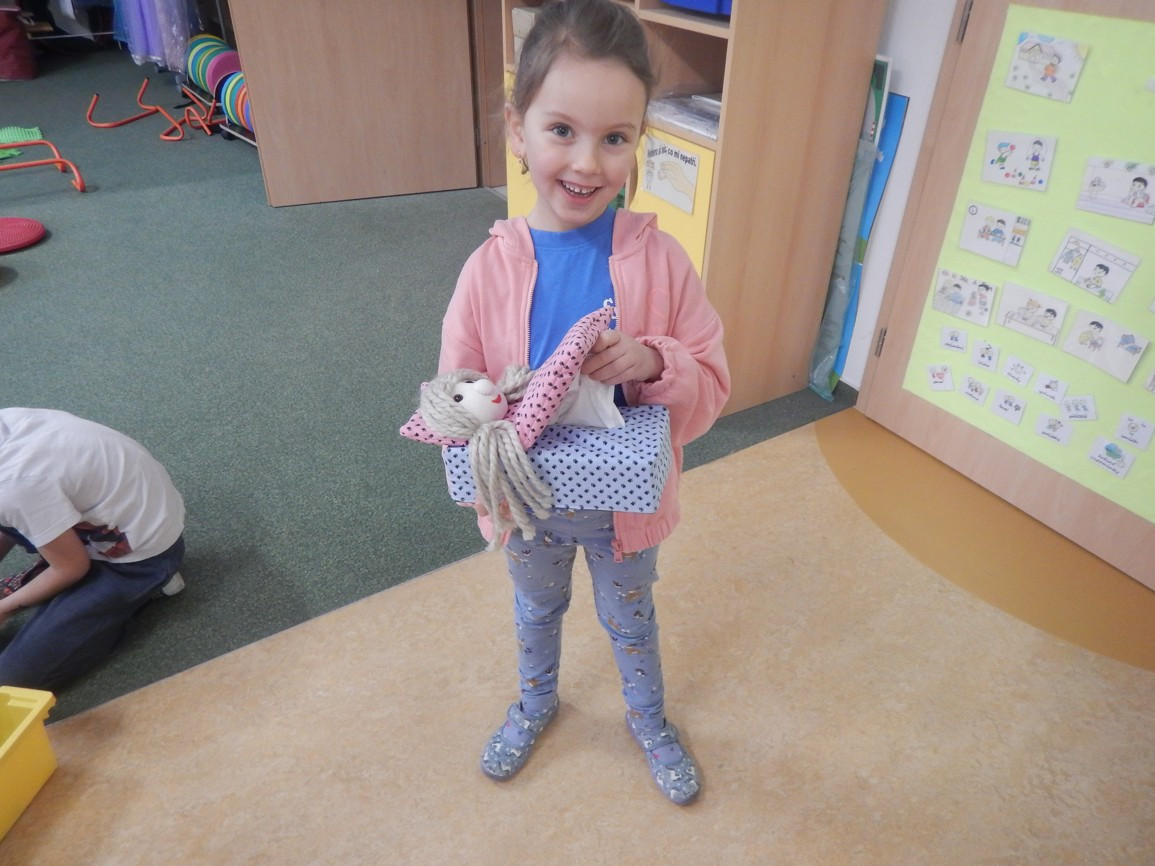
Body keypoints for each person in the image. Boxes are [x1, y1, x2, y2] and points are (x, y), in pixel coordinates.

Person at [436, 0, 729, 805]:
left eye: (615, 138)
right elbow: (452, 391)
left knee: (630, 619)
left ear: (640, 140)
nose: (587, 163)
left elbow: (710, 381)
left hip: (623, 506)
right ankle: (535, 703)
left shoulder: (662, 261)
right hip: (525, 501)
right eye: (561, 129)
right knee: (536, 610)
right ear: (516, 127)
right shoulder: (486, 270)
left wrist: (655, 360)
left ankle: (648, 719)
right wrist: (478, 407)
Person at [0, 407, 186, 691]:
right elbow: (9, 520)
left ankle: (143, 590)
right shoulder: (9, 421)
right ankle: (66, 585)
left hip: (139, 561)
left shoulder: (13, 487)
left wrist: (5, 609)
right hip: (109, 526)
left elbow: (71, 568)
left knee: (12, 680)